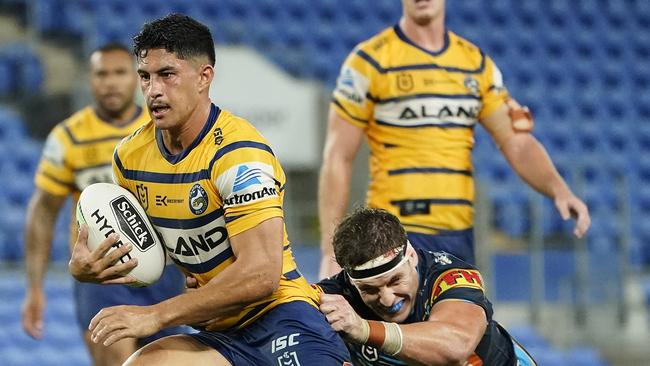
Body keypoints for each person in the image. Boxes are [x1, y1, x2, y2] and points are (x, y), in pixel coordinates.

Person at [68, 14, 351, 365]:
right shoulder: (129, 158)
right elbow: (150, 255)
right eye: (145, 76)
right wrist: (92, 270)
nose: (153, 90)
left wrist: (157, 314)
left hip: (280, 315)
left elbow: (261, 274)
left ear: (204, 78)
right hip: (217, 331)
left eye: (167, 75)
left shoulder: (239, 154)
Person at [318, 0, 591, 278]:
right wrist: (330, 252)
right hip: (392, 236)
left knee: (460, 321)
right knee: (399, 322)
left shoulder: (475, 64)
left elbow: (517, 142)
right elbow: (338, 156)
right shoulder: (369, 62)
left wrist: (559, 189)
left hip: (458, 236)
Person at [21, 42, 186, 366]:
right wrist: (35, 287)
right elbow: (43, 212)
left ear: (137, 78)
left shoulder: (162, 129)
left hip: (165, 272)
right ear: (90, 79)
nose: (111, 82)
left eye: (120, 73)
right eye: (101, 74)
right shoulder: (68, 137)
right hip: (102, 273)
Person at [316, 207, 537, 365]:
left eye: (395, 281)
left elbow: (455, 347)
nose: (388, 299)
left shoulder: (452, 276)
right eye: (370, 290)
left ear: (411, 256)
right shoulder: (335, 295)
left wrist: (363, 329)